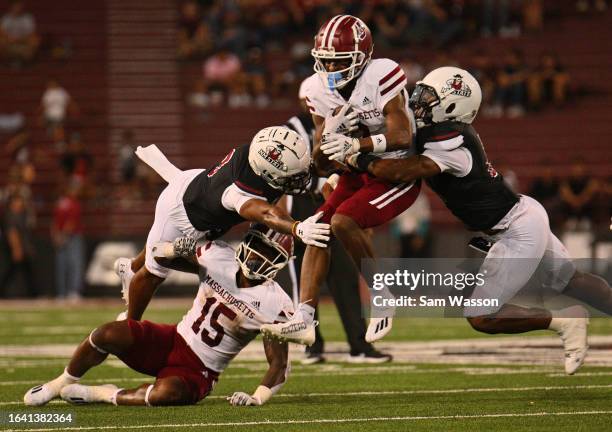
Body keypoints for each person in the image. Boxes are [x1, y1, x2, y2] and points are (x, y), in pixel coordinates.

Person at [343, 66, 612, 374]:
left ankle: (565, 321)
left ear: (452, 106)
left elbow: (401, 171)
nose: (416, 101)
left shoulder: (452, 140)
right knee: (570, 280)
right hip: (520, 216)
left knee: (481, 314)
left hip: (515, 229)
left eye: (426, 98)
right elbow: (398, 137)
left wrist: (357, 155)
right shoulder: (438, 132)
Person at [261, 15, 421, 345]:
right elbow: (321, 163)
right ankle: (304, 317)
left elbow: (403, 135)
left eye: (339, 61)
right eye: (326, 61)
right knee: (316, 227)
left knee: (344, 222)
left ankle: (382, 295)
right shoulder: (316, 91)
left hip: (395, 171)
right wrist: (330, 138)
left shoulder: (381, 74)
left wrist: (358, 143)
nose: (332, 69)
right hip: (355, 170)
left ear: (363, 57)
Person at [24, 224, 294, 407]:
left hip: (199, 370)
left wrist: (256, 397)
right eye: (259, 246)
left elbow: (279, 364)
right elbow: (159, 258)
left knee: (165, 394)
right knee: (107, 333)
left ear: (281, 261)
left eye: (270, 253)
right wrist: (176, 250)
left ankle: (102, 393)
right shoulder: (219, 256)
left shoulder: (275, 303)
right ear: (248, 241)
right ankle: (59, 384)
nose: (260, 256)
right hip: (172, 340)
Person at [113, 126, 329, 321]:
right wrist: (296, 227)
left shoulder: (259, 156)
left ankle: (129, 267)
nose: (299, 179)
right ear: (267, 173)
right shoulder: (239, 193)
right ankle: (130, 322)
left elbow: (305, 170)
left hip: (203, 196)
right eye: (292, 176)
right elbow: (267, 213)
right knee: (155, 271)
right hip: (180, 212)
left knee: (182, 259)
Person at [51, 185, 85, 301]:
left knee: (63, 265)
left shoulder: (60, 203)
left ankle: (63, 293)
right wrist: (62, 236)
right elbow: (71, 222)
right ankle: (72, 292)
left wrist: (56, 236)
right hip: (71, 237)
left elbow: (55, 222)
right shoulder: (73, 204)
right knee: (73, 265)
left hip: (63, 236)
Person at [0, 192, 37, 297]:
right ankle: (34, 294)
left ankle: (34, 294)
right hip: (15, 248)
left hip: (24, 247)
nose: (20, 203)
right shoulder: (10, 216)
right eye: (17, 201)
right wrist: (16, 248)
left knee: (26, 272)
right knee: (11, 271)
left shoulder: (22, 214)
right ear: (12, 203)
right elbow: (12, 233)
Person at [0, 0, 40, 66]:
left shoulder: (27, 18)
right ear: (11, 7)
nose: (17, 8)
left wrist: (19, 39)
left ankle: (19, 59)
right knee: (1, 41)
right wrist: (10, 39)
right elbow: (2, 32)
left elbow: (31, 33)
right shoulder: (6, 18)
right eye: (15, 6)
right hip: (9, 42)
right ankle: (13, 59)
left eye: (19, 6)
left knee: (35, 41)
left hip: (23, 42)